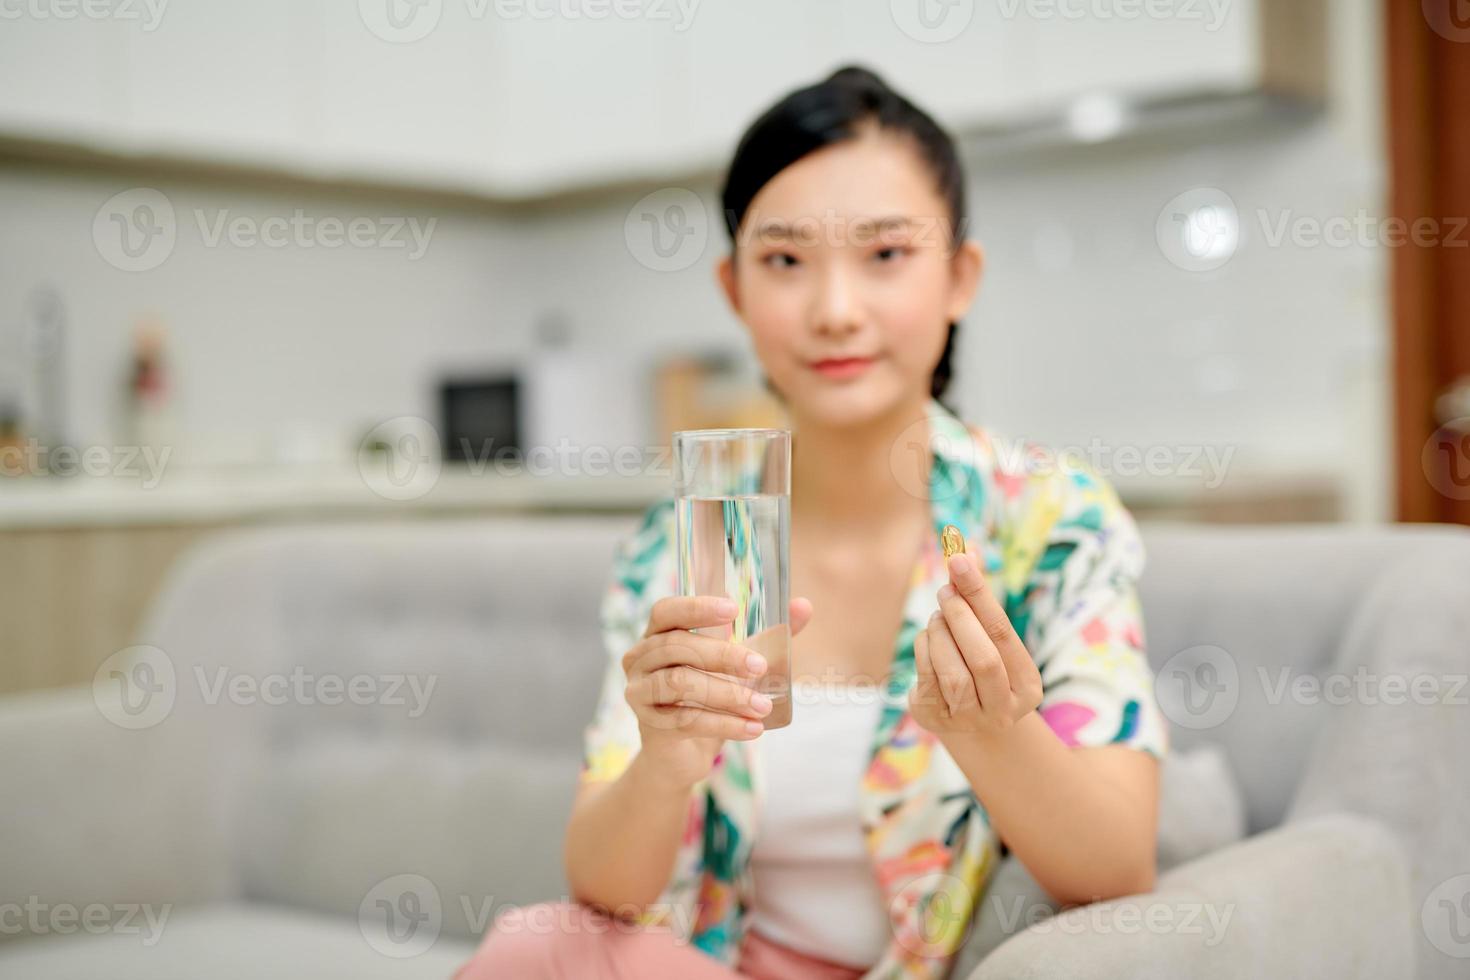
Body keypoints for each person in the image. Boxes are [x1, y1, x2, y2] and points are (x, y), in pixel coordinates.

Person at [455, 64, 1168, 980]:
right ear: (734, 291)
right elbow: (607, 890)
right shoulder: (703, 534)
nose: (836, 312)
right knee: (542, 945)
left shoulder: (1046, 518)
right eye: (786, 262)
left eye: (886, 256)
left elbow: (1117, 870)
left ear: (959, 278)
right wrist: (667, 758)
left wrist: (992, 730)